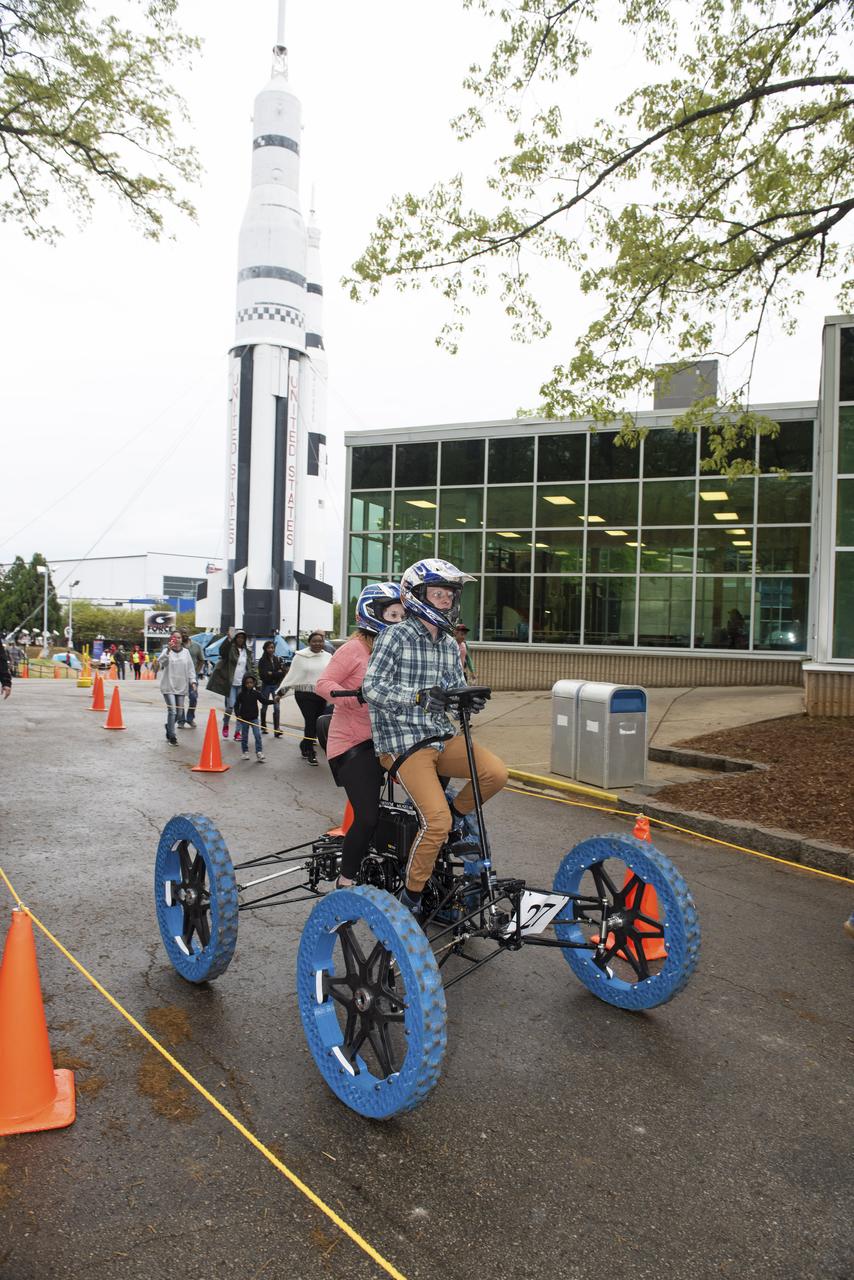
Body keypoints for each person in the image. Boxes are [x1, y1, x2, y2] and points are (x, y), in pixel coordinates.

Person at [362, 558, 508, 918]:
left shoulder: (447, 644)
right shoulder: (394, 636)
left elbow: (453, 688)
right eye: (437, 593)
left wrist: (468, 699)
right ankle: (410, 897)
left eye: (449, 594)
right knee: (435, 822)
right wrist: (417, 696)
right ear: (416, 595)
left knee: (495, 773)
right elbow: (372, 688)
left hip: (440, 736)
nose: (445, 599)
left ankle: (457, 816)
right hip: (403, 742)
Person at [316, 583, 405, 887]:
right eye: (393, 614)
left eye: (402, 615)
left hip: (389, 741)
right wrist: (355, 696)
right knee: (367, 817)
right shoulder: (353, 649)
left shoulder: (397, 649)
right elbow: (323, 684)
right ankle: (346, 879)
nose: (399, 620)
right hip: (352, 744)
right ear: (373, 614)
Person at [275, 631, 332, 765]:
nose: (317, 644)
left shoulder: (328, 657)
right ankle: (310, 752)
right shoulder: (300, 656)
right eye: (314, 641)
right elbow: (292, 676)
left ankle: (304, 744)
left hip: (321, 694)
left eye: (320, 641)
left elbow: (333, 674)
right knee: (310, 722)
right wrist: (281, 693)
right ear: (309, 642)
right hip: (304, 694)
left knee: (317, 723)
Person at [207, 627, 257, 742]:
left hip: (242, 684)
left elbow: (252, 667)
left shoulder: (247, 652)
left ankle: (237, 732)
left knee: (241, 709)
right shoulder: (231, 649)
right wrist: (228, 639)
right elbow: (222, 651)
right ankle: (226, 724)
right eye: (238, 637)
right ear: (235, 638)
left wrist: (257, 682)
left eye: (242, 638)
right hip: (231, 684)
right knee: (230, 707)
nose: (240, 639)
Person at [158, 629, 197, 745]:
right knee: (173, 711)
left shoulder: (186, 652)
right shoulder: (166, 651)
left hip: (181, 686)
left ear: (181, 639)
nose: (177, 639)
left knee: (179, 714)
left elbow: (190, 668)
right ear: (171, 639)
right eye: (174, 637)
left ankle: (169, 726)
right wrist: (168, 650)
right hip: (168, 686)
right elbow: (162, 663)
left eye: (179, 637)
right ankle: (172, 737)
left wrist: (193, 681)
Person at [233, 672, 265, 762]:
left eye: (251, 682)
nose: (249, 684)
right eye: (247, 683)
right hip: (244, 719)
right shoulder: (241, 694)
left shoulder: (256, 693)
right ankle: (245, 752)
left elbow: (264, 701)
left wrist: (274, 701)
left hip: (254, 718)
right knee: (244, 737)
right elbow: (236, 705)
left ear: (254, 683)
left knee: (257, 735)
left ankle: (259, 752)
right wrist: (238, 715)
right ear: (244, 684)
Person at [258, 639, 287, 737]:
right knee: (264, 706)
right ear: (265, 649)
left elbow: (283, 673)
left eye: (272, 647)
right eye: (269, 648)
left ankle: (277, 729)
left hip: (276, 686)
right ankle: (263, 726)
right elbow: (263, 675)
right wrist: (276, 673)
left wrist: (272, 673)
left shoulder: (277, 659)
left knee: (277, 707)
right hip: (266, 685)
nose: (271, 649)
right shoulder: (262, 661)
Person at [180, 630, 204, 727]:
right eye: (182, 633)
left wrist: (196, 672)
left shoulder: (197, 646)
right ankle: (181, 720)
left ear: (188, 634)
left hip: (192, 677)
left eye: (185, 632)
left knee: (193, 697)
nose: (184, 634)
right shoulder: (178, 646)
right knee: (180, 699)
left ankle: (190, 719)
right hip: (180, 677)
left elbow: (201, 660)